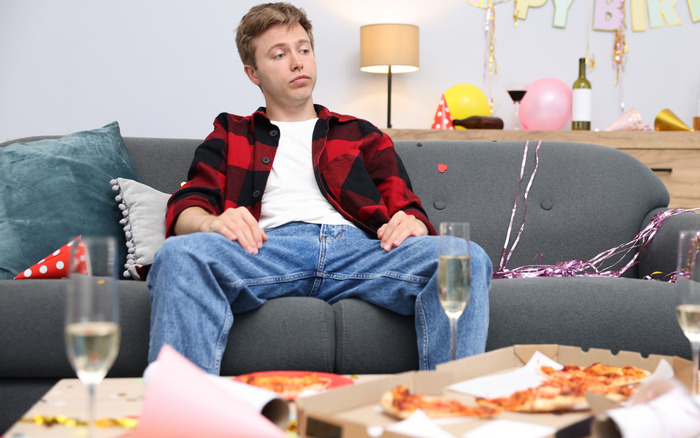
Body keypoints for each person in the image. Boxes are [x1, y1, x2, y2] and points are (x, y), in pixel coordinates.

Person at [147, 2, 492, 374]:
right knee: (179, 256)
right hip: (266, 250)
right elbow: (189, 204)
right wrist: (209, 224)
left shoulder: (360, 133)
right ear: (253, 74)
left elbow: (406, 207)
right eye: (279, 54)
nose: (297, 62)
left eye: (304, 49)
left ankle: (453, 410)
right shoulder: (230, 131)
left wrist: (414, 223)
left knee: (465, 257)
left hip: (361, 252)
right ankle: (180, 414)